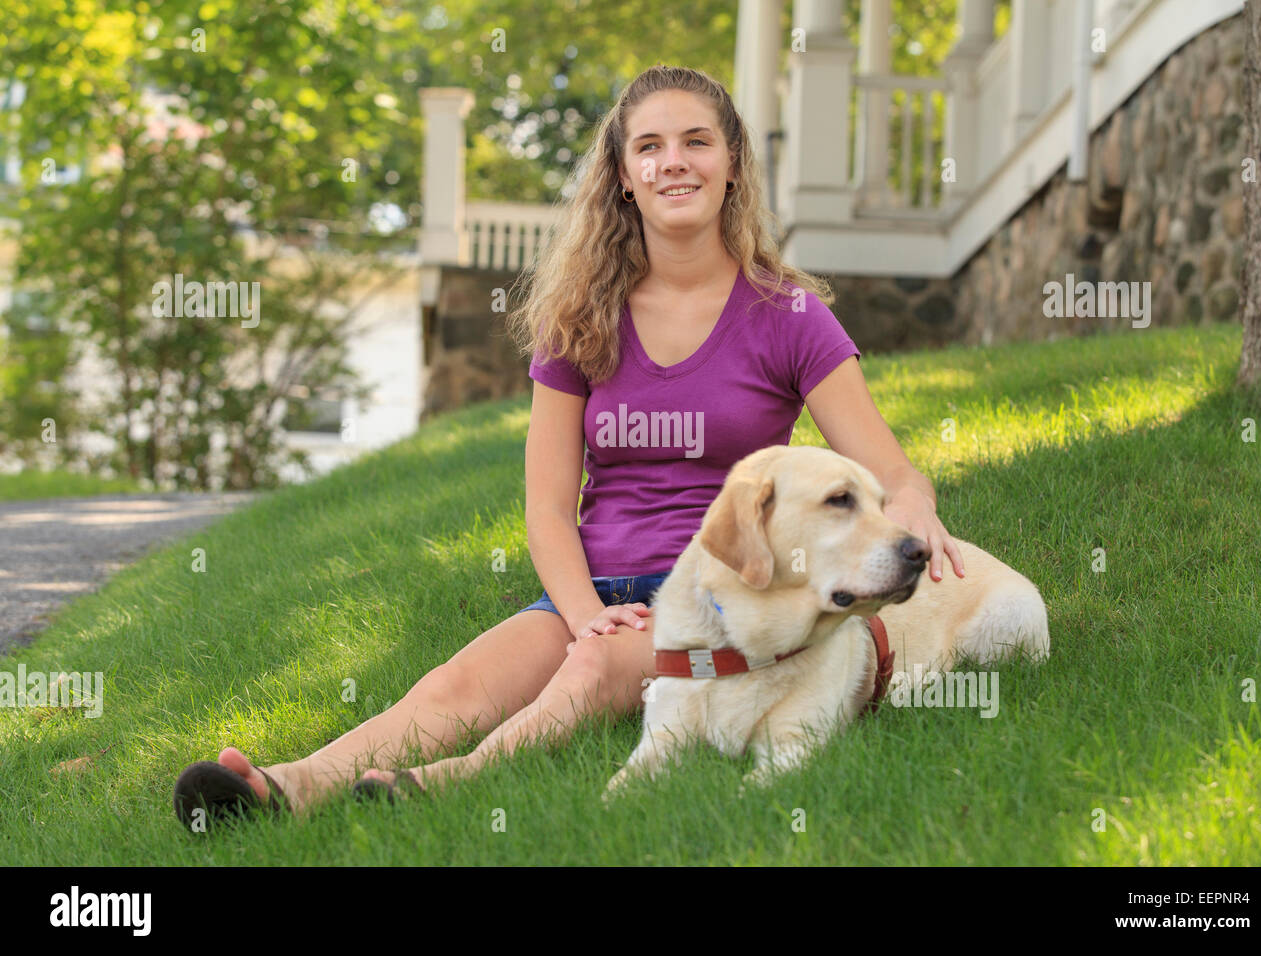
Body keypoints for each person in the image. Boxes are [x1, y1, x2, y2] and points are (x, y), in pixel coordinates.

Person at [172, 65, 965, 822]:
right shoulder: (582, 315)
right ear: (623, 175)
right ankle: (286, 787)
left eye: (696, 141)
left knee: (587, 676)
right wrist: (587, 614)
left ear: (732, 164)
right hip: (590, 586)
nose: (673, 163)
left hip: (714, 597)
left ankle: (434, 786)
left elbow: (889, 471)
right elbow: (548, 508)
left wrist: (916, 505)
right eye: (648, 147)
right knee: (453, 685)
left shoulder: (786, 316)